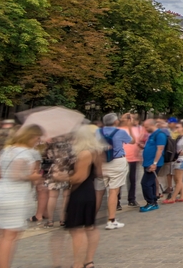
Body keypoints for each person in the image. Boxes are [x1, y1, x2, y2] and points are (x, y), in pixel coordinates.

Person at [0, 124, 44, 268]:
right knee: (10, 237)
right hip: (15, 196)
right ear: (31, 137)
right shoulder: (28, 153)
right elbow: (17, 175)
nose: (38, 141)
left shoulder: (7, 150)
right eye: (37, 138)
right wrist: (34, 176)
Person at [57, 125, 104, 268]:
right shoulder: (96, 151)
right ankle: (88, 261)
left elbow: (79, 177)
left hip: (80, 192)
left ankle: (78, 264)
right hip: (90, 190)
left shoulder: (84, 153)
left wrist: (62, 177)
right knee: (90, 227)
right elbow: (100, 173)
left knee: (77, 229)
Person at [96, 113, 132, 230]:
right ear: (116, 121)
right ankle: (111, 220)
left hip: (101, 163)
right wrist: (129, 125)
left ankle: (91, 219)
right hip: (117, 162)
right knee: (113, 191)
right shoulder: (120, 132)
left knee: (99, 192)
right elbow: (132, 141)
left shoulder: (97, 132)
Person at [42, 134, 73, 228]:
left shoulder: (51, 146)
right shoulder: (70, 145)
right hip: (67, 170)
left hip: (54, 171)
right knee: (66, 196)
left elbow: (47, 158)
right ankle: (63, 219)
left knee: (52, 197)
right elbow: (73, 159)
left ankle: (50, 221)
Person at [139, 119, 167, 212]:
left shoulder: (160, 135)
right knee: (151, 183)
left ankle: (150, 202)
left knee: (145, 183)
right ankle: (153, 201)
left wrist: (154, 163)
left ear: (152, 125)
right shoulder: (152, 135)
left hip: (153, 163)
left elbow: (160, 149)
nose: (145, 128)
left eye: (146, 127)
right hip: (148, 162)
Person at [164, 122, 183, 202]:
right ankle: (182, 196)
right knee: (180, 180)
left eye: (178, 127)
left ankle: (173, 197)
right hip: (179, 160)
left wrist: (182, 153)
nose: (176, 129)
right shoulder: (179, 137)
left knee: (178, 180)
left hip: (181, 160)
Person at [119, 114, 143, 208]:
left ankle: (131, 199)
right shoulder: (119, 129)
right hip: (122, 157)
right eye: (128, 117)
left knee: (132, 180)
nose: (130, 119)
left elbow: (138, 141)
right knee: (120, 181)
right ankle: (117, 201)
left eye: (131, 117)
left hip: (134, 157)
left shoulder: (137, 129)